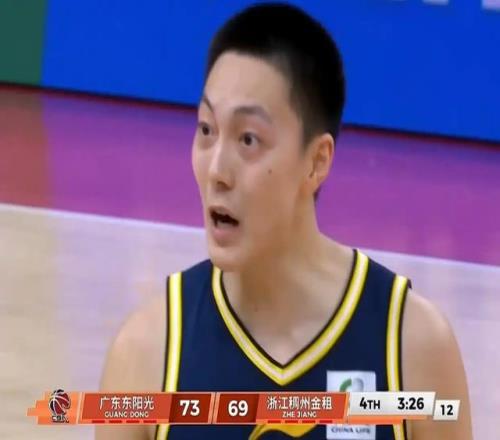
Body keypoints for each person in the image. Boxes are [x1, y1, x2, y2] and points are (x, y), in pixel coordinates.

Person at [96, 3, 472, 439]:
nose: (217, 169)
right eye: (206, 130)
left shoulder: (412, 348)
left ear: (317, 162)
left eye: (248, 139)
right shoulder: (147, 354)